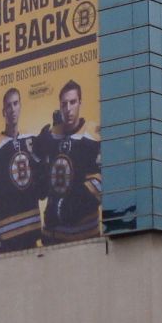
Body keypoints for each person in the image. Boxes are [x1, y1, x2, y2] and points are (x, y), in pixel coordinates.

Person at [34, 80, 102, 243]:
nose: (68, 109)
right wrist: (37, 155)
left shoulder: (94, 136)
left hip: (86, 236)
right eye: (64, 104)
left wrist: (65, 209)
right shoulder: (50, 136)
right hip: (52, 236)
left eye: (73, 102)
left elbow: (101, 183)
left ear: (80, 103)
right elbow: (41, 187)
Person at [0, 87, 45, 253]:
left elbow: (42, 189)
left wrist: (47, 150)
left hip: (32, 235)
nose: (13, 109)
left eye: (16, 104)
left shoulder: (31, 141)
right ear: (3, 111)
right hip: (6, 240)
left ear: (21, 106)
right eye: (9, 105)